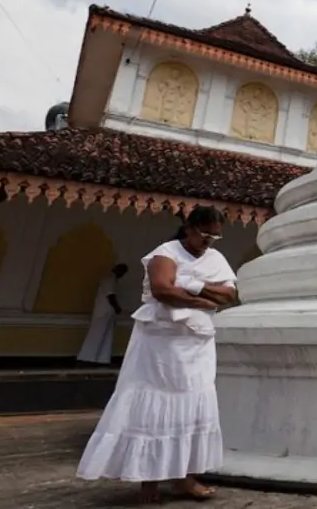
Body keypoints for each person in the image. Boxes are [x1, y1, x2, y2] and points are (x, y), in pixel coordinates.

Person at [76, 206, 239, 503]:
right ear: (189, 228)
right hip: (161, 345)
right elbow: (163, 290)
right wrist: (204, 299)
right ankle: (148, 481)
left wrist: (190, 284)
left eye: (215, 236)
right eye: (204, 234)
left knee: (191, 405)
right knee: (154, 404)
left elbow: (229, 295)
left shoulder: (215, 258)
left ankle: (183, 478)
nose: (208, 241)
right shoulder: (165, 253)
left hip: (197, 343)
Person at [76, 263, 129, 365]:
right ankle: (87, 358)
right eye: (122, 272)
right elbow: (110, 295)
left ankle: (101, 359)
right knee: (96, 335)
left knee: (106, 336)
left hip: (108, 312)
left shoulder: (113, 279)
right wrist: (117, 307)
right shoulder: (109, 279)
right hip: (103, 312)